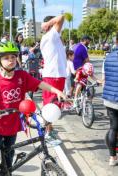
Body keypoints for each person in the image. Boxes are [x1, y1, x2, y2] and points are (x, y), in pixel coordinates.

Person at [0, 41, 66, 176]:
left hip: (12, 124)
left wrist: (57, 91)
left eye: (13, 57)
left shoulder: (21, 76)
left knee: (9, 156)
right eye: (6, 58)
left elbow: (40, 84)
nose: (11, 60)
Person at [40, 15, 67, 146]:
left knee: (54, 105)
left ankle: (49, 129)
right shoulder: (51, 35)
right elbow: (62, 17)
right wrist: (48, 23)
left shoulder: (52, 37)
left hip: (56, 75)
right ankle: (47, 133)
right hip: (53, 75)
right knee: (51, 105)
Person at [102, 51, 118, 166]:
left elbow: (104, 79)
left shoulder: (108, 57)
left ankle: (112, 158)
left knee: (113, 128)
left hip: (110, 99)